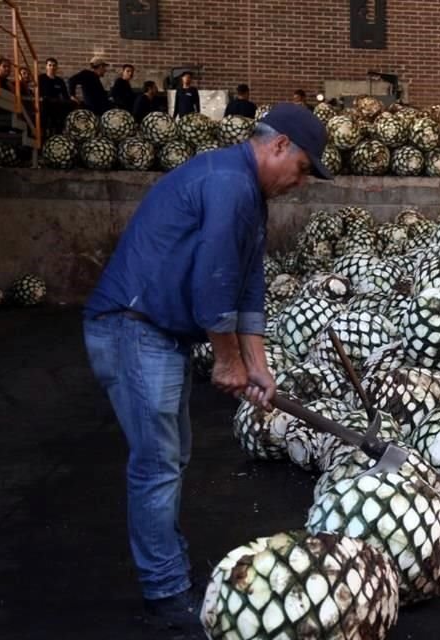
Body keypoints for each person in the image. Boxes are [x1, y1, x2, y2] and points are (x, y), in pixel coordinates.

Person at [82, 103, 333, 632]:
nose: (301, 182)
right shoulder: (228, 185)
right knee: (158, 464)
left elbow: (247, 288)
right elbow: (214, 284)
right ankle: (166, 595)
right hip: (132, 326)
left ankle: (168, 572)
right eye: (304, 168)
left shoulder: (248, 196)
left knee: (171, 457)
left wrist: (258, 366)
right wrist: (226, 361)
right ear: (280, 145)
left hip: (159, 333)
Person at [38, 57, 73, 134]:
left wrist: (70, 99)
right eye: (50, 65)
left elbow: (65, 95)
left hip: (56, 104)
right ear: (46, 67)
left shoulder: (59, 81)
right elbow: (37, 92)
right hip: (44, 103)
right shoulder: (41, 78)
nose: (52, 67)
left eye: (54, 65)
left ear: (56, 67)